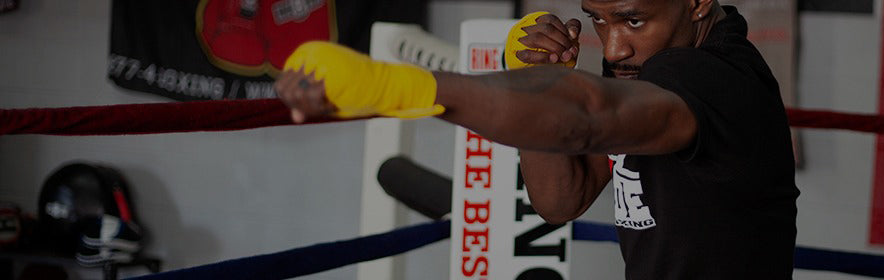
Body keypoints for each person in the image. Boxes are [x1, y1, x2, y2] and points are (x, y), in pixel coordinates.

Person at [273, 0, 799, 278]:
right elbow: (559, 200)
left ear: (697, 1)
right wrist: (532, 69)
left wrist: (391, 86)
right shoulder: (653, 68)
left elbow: (589, 113)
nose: (613, 48)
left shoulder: (710, 79)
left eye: (633, 20)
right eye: (597, 19)